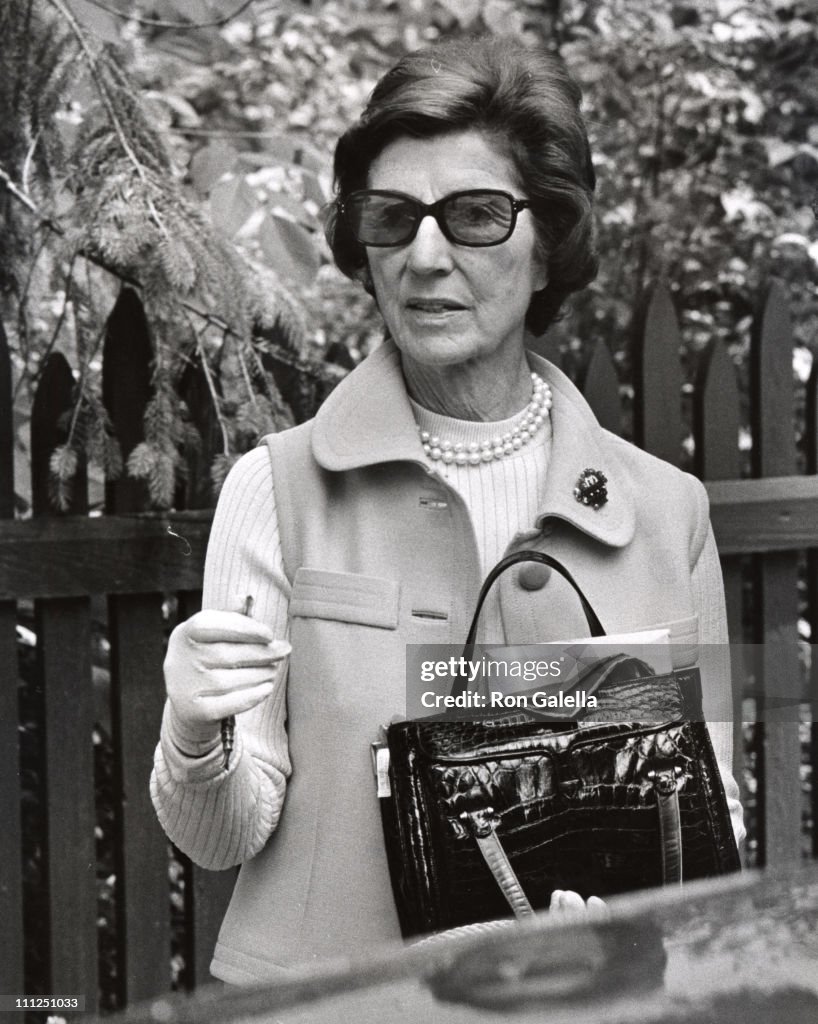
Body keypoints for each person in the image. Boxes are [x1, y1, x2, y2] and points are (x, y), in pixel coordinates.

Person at [151, 35, 744, 985]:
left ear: (548, 243)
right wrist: (193, 728)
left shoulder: (666, 513)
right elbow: (221, 837)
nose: (426, 255)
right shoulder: (278, 489)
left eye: (473, 215)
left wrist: (616, 895)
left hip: (585, 1007)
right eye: (394, 217)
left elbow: (713, 815)